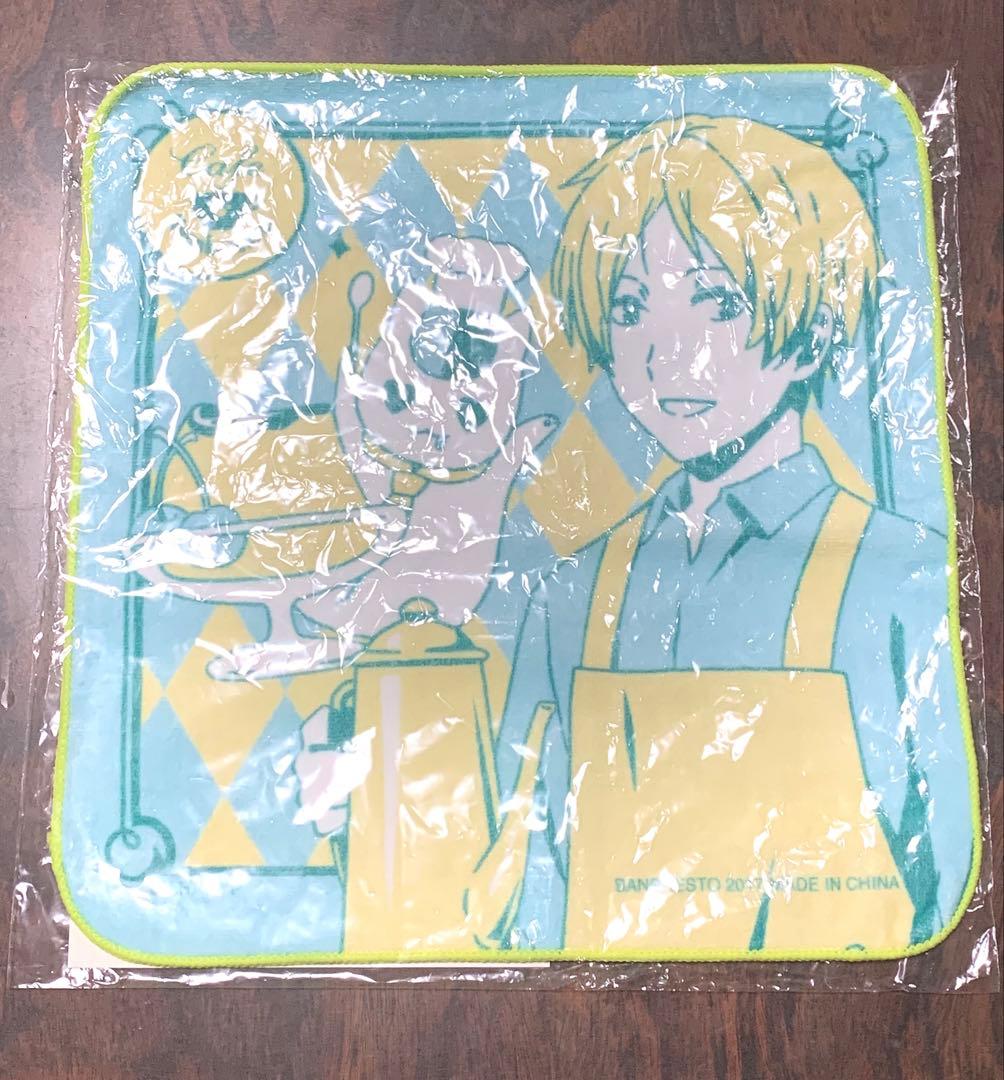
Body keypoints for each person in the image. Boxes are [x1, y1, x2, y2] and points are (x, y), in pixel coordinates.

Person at [485, 115, 972, 954]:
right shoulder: (570, 594)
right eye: (631, 307)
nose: (668, 354)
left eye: (718, 303)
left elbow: (946, 867)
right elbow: (518, 880)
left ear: (813, 332)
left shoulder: (900, 577)